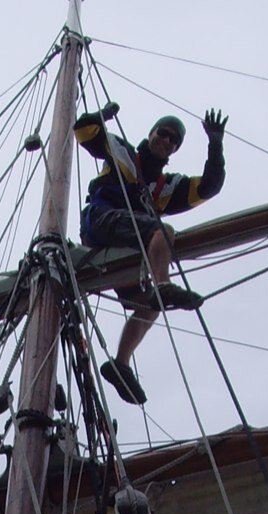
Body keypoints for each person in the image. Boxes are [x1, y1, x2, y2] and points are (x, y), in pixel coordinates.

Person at [74, 104, 227, 405]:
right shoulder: (125, 155)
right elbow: (83, 131)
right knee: (163, 232)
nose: (167, 140)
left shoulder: (165, 187)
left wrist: (215, 143)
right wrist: (103, 115)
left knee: (149, 308)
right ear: (151, 132)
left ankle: (120, 364)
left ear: (174, 150)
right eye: (163, 133)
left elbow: (209, 186)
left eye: (174, 140)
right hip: (102, 221)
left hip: (128, 247)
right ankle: (163, 285)